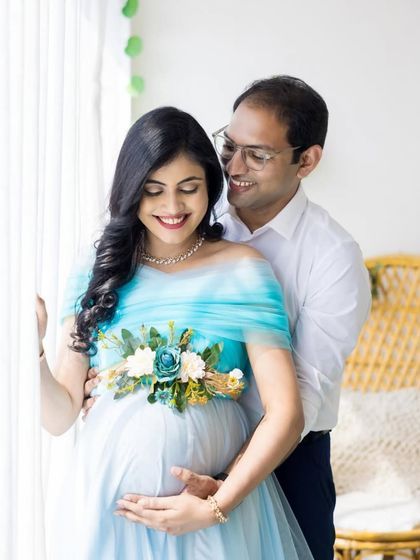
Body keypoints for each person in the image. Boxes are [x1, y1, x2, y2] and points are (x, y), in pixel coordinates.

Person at [84, 76, 371, 560]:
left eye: (257, 155)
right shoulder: (188, 211)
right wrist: (107, 377)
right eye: (229, 146)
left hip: (285, 462)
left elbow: (300, 394)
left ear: (307, 160)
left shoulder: (333, 257)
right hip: (175, 467)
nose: (233, 168)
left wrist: (222, 490)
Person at [37, 106, 315, 559]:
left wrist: (216, 506)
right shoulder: (97, 270)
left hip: (209, 516)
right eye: (153, 191)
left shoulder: (244, 271)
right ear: (131, 192)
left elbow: (286, 414)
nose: (172, 207)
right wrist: (32, 353)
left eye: (189, 189)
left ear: (211, 186)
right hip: (110, 507)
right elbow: (59, 416)